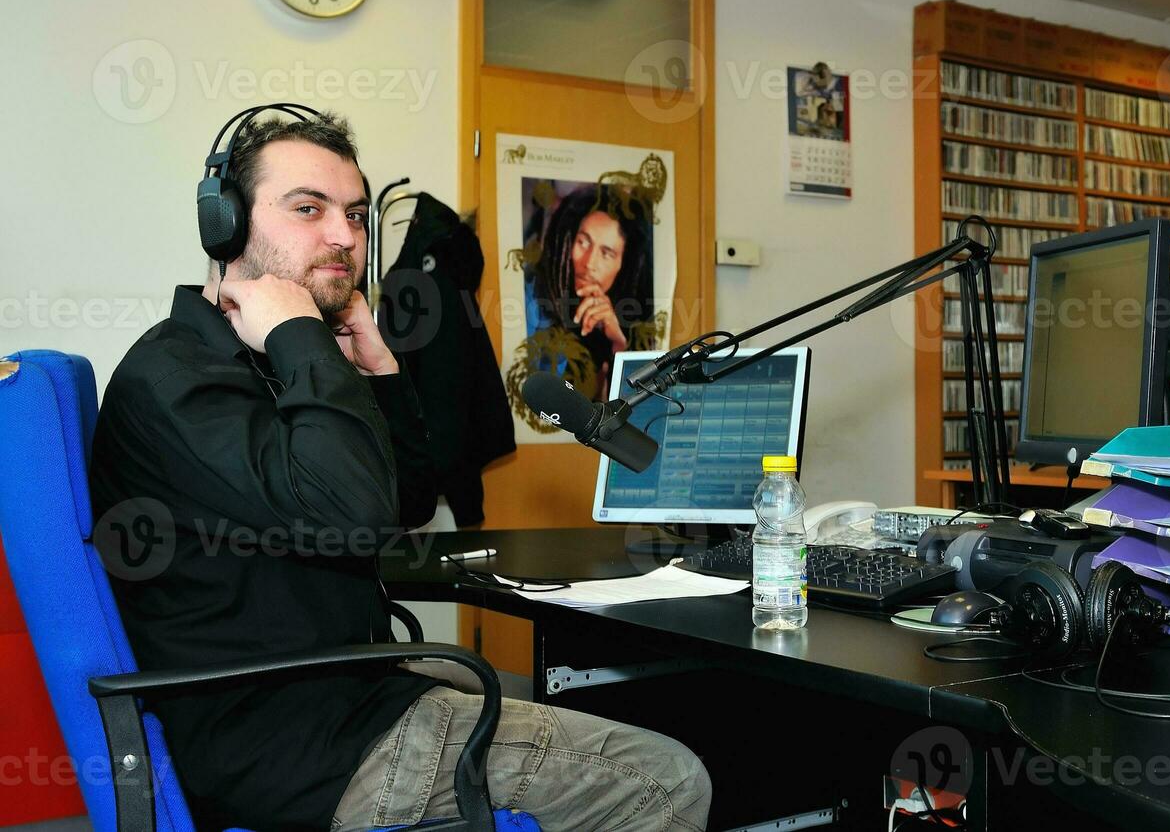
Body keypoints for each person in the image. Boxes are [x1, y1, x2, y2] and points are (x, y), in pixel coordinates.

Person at [89, 110, 710, 831]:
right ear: (223, 225)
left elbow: (405, 501)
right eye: (308, 209)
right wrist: (299, 335)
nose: (346, 237)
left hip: (340, 695)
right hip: (298, 746)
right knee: (665, 780)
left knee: (551, 696)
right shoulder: (177, 377)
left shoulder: (268, 364)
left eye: (354, 215)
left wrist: (379, 370)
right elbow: (348, 512)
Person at [525, 182, 653, 397]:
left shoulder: (618, 320)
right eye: (583, 242)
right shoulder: (531, 300)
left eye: (607, 253)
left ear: (623, 266)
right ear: (567, 241)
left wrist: (618, 344)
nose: (589, 263)